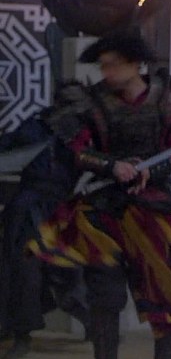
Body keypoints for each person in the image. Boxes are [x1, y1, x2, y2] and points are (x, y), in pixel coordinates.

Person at [27, 29, 171, 359]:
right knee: (105, 295)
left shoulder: (167, 97)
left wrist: (151, 171)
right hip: (103, 209)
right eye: (103, 65)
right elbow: (78, 149)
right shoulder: (91, 100)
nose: (107, 72)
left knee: (164, 291)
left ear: (135, 64)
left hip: (153, 207)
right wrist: (112, 166)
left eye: (113, 64)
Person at [0, 114, 89, 359]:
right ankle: (21, 335)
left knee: (70, 271)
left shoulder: (86, 129)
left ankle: (92, 322)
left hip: (65, 210)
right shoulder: (35, 126)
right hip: (27, 212)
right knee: (22, 272)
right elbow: (7, 146)